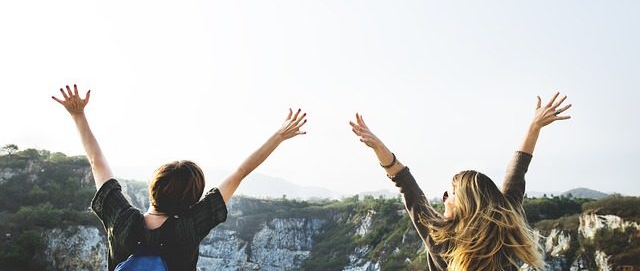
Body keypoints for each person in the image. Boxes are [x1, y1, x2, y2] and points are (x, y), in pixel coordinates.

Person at [53, 84, 307, 271]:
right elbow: (239, 174)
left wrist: (78, 115)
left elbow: (97, 163)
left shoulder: (122, 220)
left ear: (153, 187)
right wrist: (278, 136)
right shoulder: (189, 226)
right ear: (193, 198)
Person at [349, 92, 572, 271]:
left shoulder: (440, 238)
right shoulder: (504, 228)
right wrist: (534, 128)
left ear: (465, 204)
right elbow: (517, 170)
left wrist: (378, 147)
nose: (445, 198)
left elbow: (406, 185)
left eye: (450, 194)